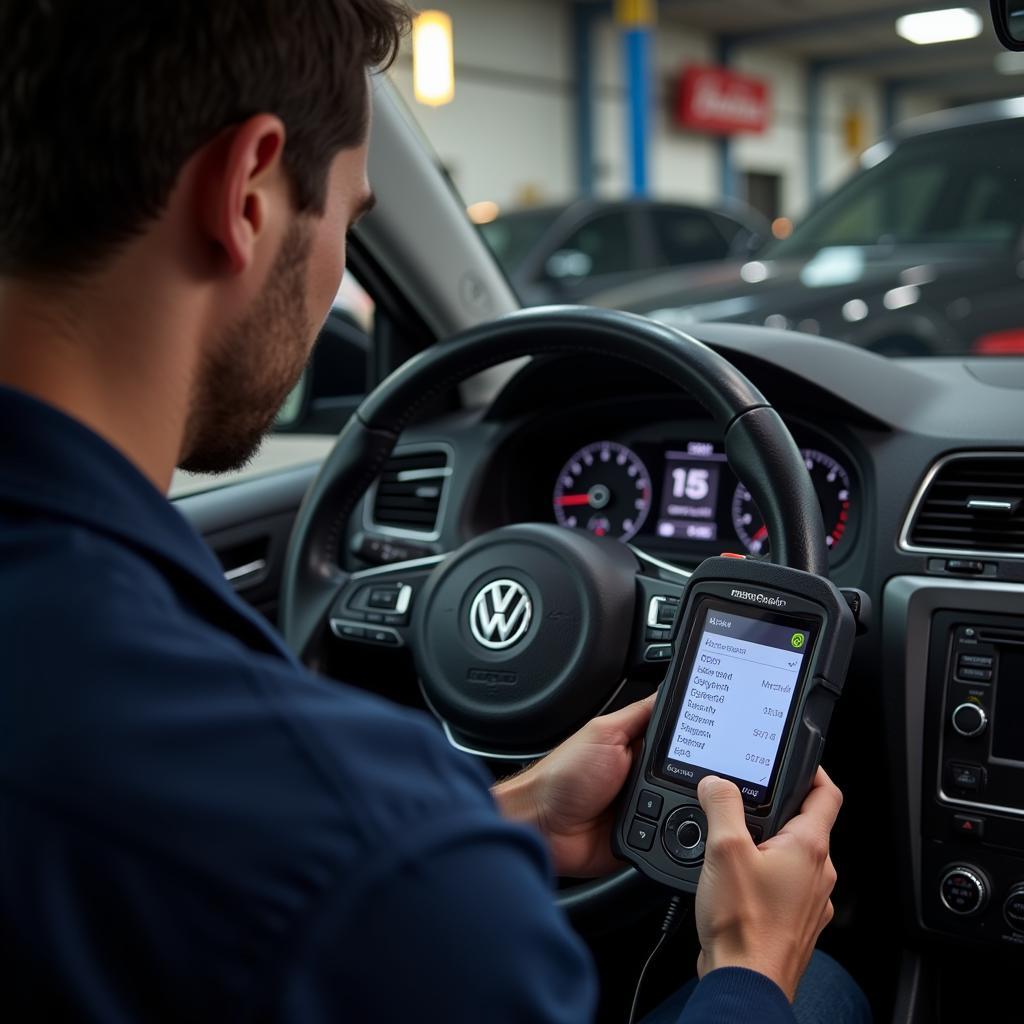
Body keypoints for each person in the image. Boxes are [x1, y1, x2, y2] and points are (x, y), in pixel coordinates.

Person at [0, 3, 869, 1022]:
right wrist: (747, 957)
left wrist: (502, 814)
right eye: (352, 218)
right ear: (245, 193)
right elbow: (342, 851)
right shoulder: (376, 866)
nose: (336, 274)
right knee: (818, 990)